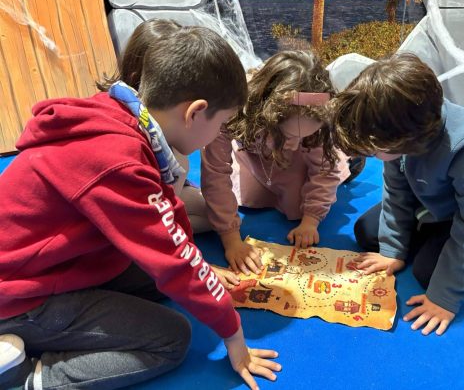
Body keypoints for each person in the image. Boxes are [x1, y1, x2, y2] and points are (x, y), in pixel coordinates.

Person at [0, 26, 281, 390]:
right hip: (17, 297)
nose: (219, 133)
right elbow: (175, 260)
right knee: (172, 338)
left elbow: (166, 228)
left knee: (154, 279)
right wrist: (234, 335)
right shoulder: (119, 160)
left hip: (41, 266)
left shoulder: (121, 116)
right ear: (195, 112)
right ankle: (26, 377)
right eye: (222, 123)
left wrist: (201, 270)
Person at [332, 53, 464, 336]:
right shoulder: (398, 132)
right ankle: (426, 234)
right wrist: (392, 250)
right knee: (368, 233)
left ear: (407, 138)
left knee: (428, 274)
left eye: (375, 151)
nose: (372, 156)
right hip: (428, 197)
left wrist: (445, 298)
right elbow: (396, 191)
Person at [201, 50, 350, 275]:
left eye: (304, 136)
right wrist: (231, 239)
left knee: (298, 205)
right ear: (265, 115)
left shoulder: (316, 122)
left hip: (301, 159)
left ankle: (348, 161)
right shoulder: (233, 110)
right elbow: (215, 173)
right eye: (288, 135)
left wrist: (310, 221)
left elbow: (323, 169)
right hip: (255, 156)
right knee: (249, 198)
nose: (293, 143)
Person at [98, 18, 211, 234]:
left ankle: (172, 227)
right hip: (143, 204)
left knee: (215, 215)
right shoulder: (126, 124)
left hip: (168, 193)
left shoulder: (169, 126)